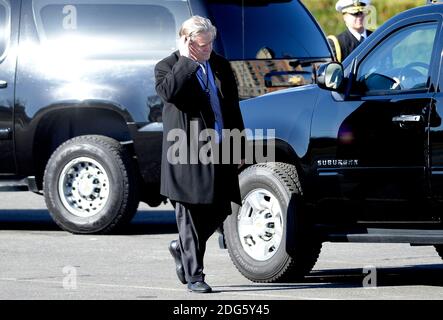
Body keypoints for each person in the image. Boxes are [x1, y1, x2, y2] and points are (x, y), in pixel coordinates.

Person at [155, 16, 245, 293]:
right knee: (191, 215)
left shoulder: (219, 65)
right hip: (187, 153)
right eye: (202, 46)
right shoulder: (168, 67)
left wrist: (239, 145)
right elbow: (169, 92)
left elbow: (232, 107)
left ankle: (181, 248)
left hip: (220, 147)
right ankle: (195, 276)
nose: (208, 50)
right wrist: (187, 62)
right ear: (187, 42)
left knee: (220, 208)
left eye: (210, 44)